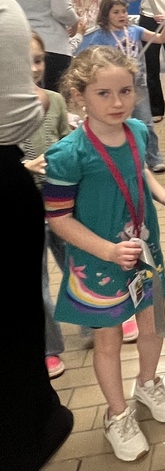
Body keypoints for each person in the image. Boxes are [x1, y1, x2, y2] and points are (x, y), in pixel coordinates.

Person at [44, 46, 165, 462]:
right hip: (98, 264)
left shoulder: (138, 132)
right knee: (108, 343)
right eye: (104, 94)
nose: (117, 102)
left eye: (125, 91)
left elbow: (139, 171)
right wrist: (108, 250)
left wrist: (164, 196)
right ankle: (117, 414)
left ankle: (147, 383)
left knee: (151, 327)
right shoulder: (67, 155)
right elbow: (58, 219)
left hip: (143, 254)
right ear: (79, 96)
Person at [0, 0, 73, 471]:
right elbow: (17, 118)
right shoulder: (4, 11)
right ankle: (21, 441)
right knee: (14, 310)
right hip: (10, 183)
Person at [22, 32, 71, 379]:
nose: (34, 68)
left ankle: (96, 320)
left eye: (38, 60)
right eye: (24, 61)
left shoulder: (54, 100)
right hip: (23, 200)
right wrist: (23, 166)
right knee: (35, 279)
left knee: (75, 261)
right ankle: (49, 346)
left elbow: (67, 142)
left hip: (59, 197)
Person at [79, 0, 165, 174]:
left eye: (124, 11)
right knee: (119, 123)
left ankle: (154, 158)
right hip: (114, 89)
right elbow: (83, 55)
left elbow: (162, 39)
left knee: (146, 123)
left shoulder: (134, 30)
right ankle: (128, 160)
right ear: (106, 15)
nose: (122, 15)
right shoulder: (99, 36)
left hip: (138, 85)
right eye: (116, 12)